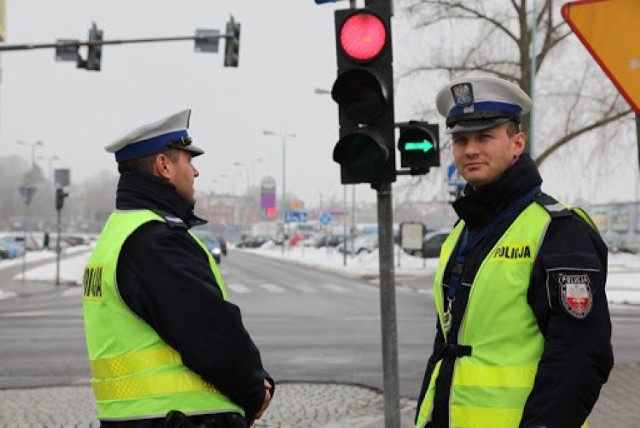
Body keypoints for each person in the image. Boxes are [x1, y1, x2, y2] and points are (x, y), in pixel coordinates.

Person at [414, 76, 614, 428]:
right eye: (460, 140)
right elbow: (447, 349)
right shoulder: (461, 232)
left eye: (485, 137)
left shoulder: (558, 230)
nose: (470, 149)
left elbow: (580, 357)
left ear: (517, 143)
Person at [82, 109, 273, 427]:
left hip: (133, 418)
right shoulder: (155, 240)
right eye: (189, 160)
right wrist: (255, 390)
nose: (196, 172)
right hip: (183, 419)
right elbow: (212, 333)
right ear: (164, 166)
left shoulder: (117, 233)